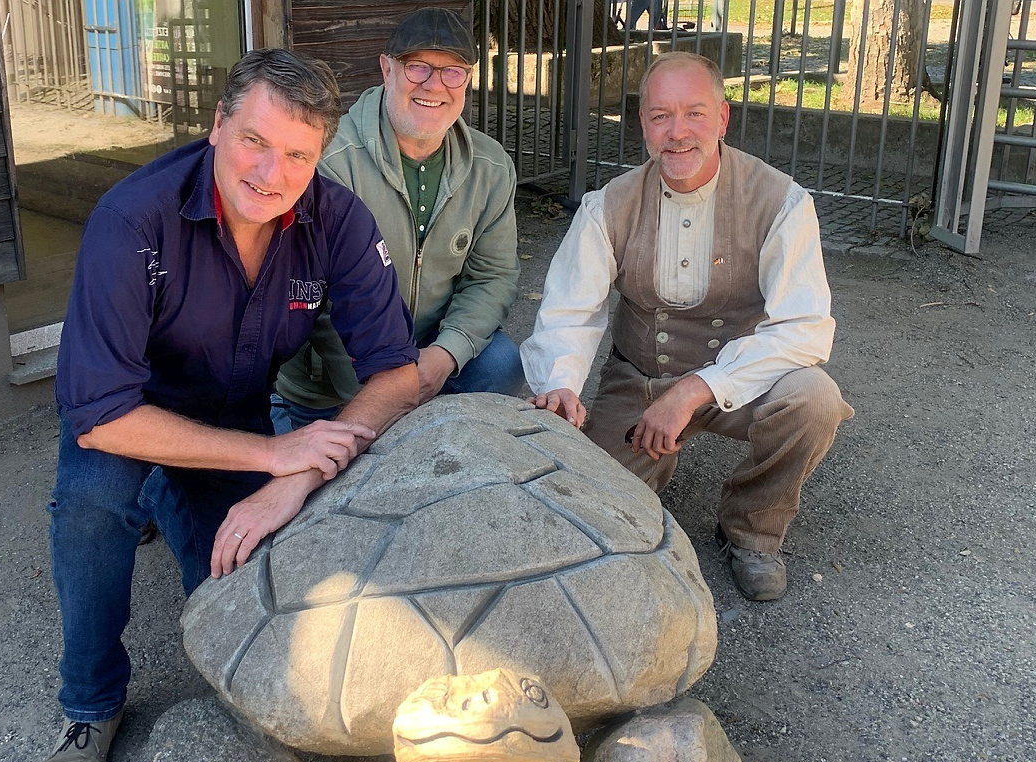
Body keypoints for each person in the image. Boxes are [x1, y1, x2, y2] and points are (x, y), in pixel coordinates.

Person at [33, 49, 419, 762]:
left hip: (237, 414)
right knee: (91, 510)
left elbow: (399, 376)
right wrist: (275, 452)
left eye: (298, 154)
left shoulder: (336, 219)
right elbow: (100, 414)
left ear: (320, 155)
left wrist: (294, 478)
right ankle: (89, 706)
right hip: (130, 416)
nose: (271, 173)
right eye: (255, 141)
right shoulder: (130, 221)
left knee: (238, 565)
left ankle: (239, 692)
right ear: (217, 126)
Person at [522, 52, 853, 602]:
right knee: (599, 525)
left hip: (740, 381)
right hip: (640, 378)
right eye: (660, 116)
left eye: (694, 114)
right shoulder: (610, 205)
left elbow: (805, 327)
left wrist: (695, 391)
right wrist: (560, 383)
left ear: (722, 119)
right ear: (643, 125)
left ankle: (751, 528)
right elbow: (569, 310)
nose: (677, 133)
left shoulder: (780, 200)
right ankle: (646, 476)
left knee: (813, 399)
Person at [272, 6, 523, 431]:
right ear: (387, 68)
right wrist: (387, 392)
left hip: (428, 356)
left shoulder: (491, 166)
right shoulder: (330, 162)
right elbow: (315, 301)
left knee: (503, 362)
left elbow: (492, 278)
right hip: (340, 377)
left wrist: (445, 355)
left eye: (453, 72)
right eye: (418, 67)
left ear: (468, 80)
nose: (434, 85)